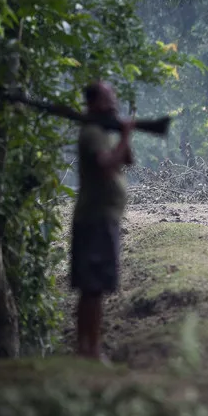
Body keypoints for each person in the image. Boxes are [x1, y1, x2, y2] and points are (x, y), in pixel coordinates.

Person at [71, 81, 135, 361]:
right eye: (108, 98)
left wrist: (123, 135)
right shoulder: (93, 133)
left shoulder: (103, 132)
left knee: (95, 288)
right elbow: (106, 164)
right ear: (94, 103)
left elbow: (127, 160)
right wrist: (125, 135)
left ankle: (89, 348)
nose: (114, 102)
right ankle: (89, 349)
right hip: (95, 217)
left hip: (103, 217)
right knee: (92, 287)